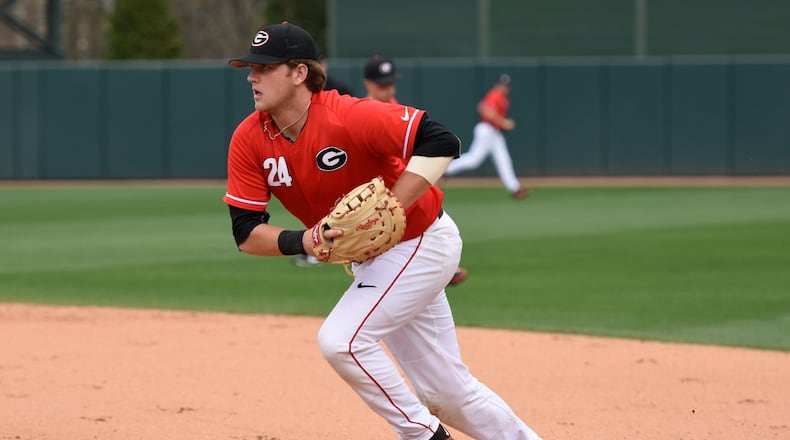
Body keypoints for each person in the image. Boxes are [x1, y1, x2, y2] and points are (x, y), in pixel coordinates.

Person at [224, 22, 542, 440]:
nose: (252, 76)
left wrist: (394, 203)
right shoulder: (249, 140)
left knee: (342, 342)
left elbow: (440, 139)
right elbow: (246, 233)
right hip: (376, 262)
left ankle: (422, 435)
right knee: (449, 394)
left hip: (422, 242)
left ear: (299, 73)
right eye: (250, 67)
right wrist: (305, 240)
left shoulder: (349, 114)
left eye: (264, 67)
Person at [362, 55, 468, 287]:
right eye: (382, 83)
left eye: (391, 82)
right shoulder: (360, 113)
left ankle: (437, 266)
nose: (388, 88)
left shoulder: (400, 111)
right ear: (368, 83)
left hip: (403, 188)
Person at [444, 74, 529, 199]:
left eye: (506, 85)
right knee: (474, 160)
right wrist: (503, 122)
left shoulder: (502, 97)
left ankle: (514, 189)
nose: (504, 87)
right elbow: (486, 111)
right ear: (497, 84)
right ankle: (445, 169)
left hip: (494, 132)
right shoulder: (495, 95)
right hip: (487, 130)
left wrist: (500, 123)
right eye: (502, 84)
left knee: (504, 160)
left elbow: (482, 107)